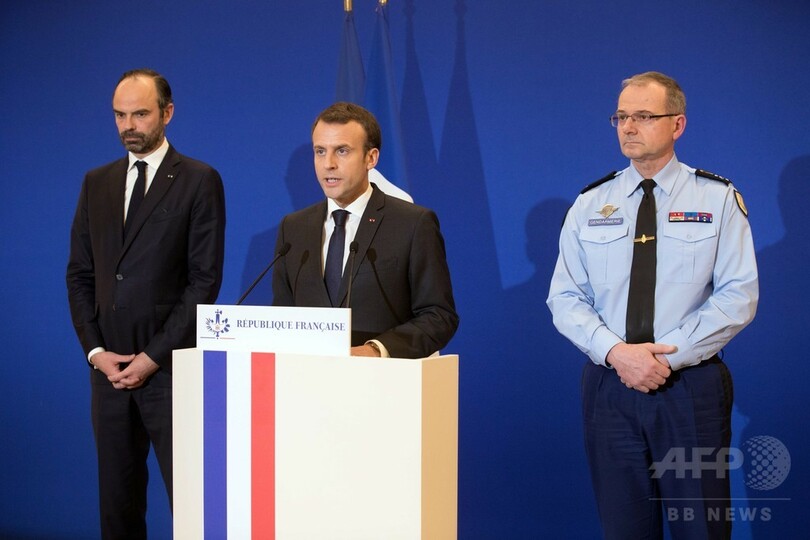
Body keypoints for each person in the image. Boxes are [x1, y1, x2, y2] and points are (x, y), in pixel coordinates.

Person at [547, 72, 758, 539]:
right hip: (610, 384)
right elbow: (565, 296)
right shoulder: (589, 203)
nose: (628, 127)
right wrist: (618, 354)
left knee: (699, 528)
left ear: (677, 124)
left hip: (688, 385)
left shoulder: (717, 198)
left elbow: (737, 294)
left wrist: (664, 358)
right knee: (624, 528)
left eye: (643, 116)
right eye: (621, 117)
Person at [66, 68, 226, 539]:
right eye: (119, 115)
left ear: (167, 113)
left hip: (170, 371)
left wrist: (152, 357)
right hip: (110, 374)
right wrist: (96, 353)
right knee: (117, 508)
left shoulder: (198, 180)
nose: (128, 126)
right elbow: (80, 275)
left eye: (139, 114)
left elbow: (203, 282)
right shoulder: (96, 182)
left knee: (192, 506)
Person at [272, 102, 458, 358]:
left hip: (382, 378)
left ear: (371, 158)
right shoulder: (293, 228)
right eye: (320, 151)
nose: (328, 164)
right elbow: (282, 317)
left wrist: (376, 350)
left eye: (342, 151)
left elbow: (439, 316)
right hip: (307, 377)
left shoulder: (412, 224)